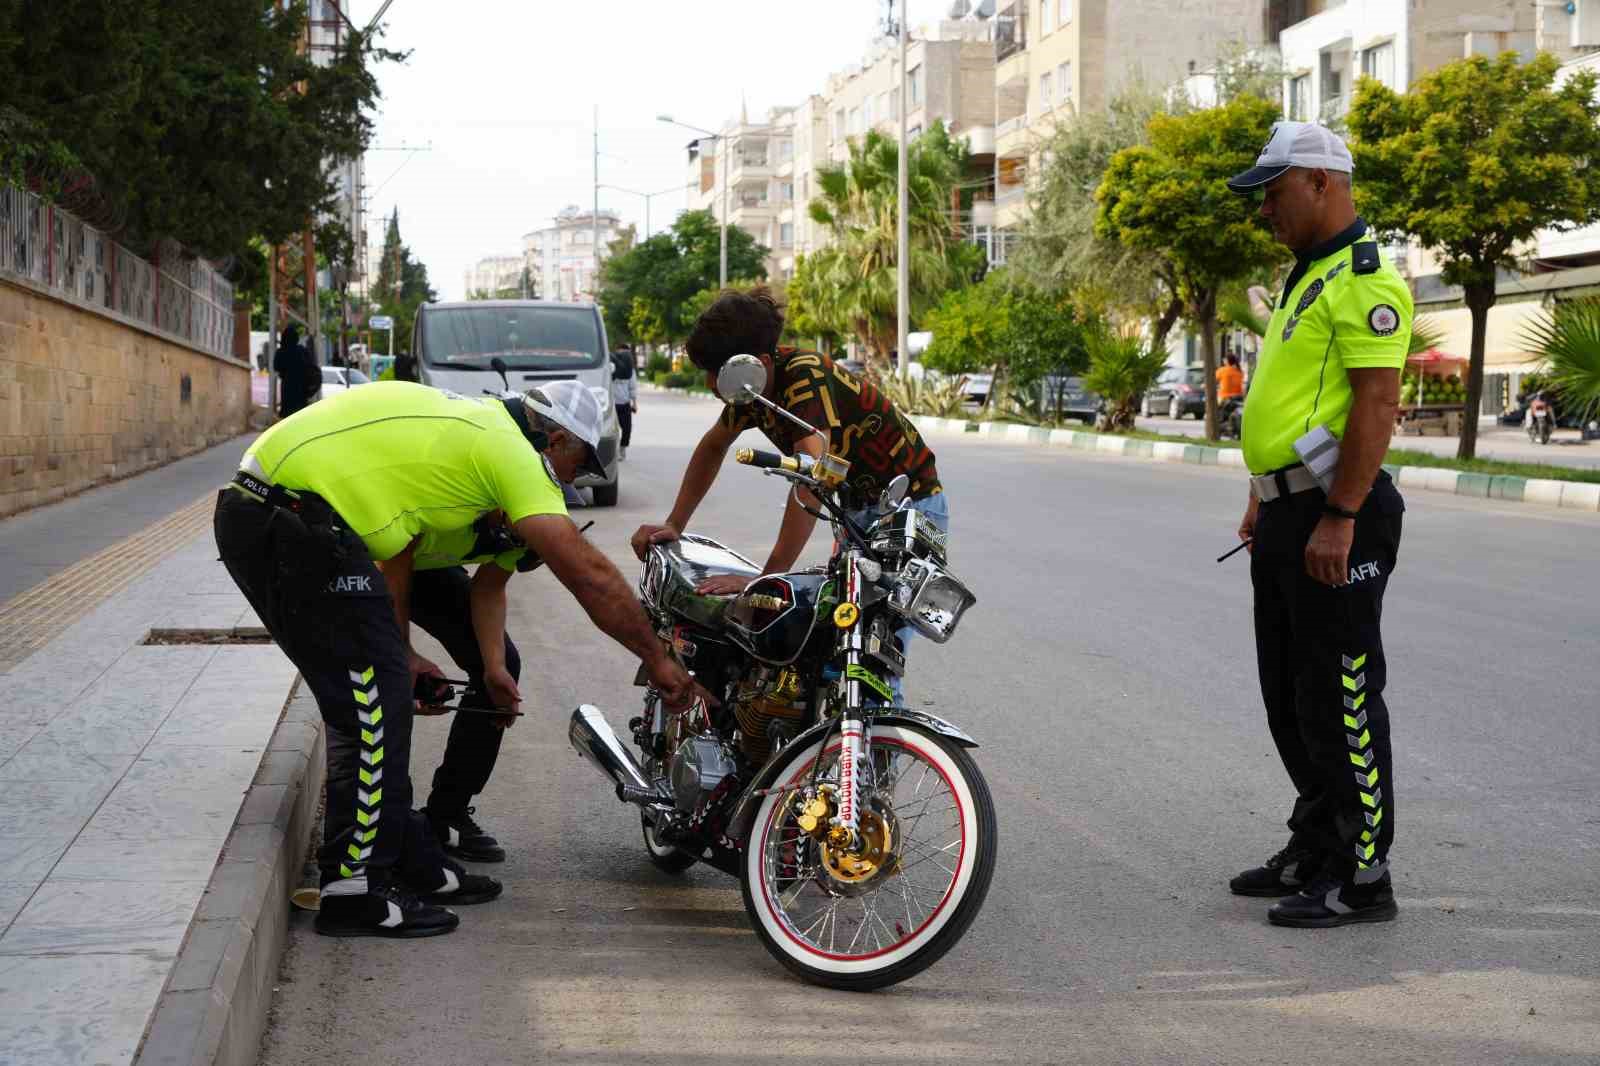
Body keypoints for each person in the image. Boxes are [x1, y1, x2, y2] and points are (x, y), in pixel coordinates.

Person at [214, 379, 707, 938]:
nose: (576, 479)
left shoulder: (483, 445)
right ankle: (353, 890)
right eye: (581, 461)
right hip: (282, 513)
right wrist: (660, 659)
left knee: (388, 687)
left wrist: (444, 660)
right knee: (373, 701)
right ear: (554, 436)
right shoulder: (509, 450)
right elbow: (590, 577)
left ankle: (405, 853)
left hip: (314, 520)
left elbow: (404, 549)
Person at [1225, 121, 1410, 928]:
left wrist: (1339, 514)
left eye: (1273, 193)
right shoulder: (1309, 275)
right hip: (1287, 507)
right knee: (1289, 694)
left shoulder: (1366, 279)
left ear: (1320, 183)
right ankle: (1316, 840)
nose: (1265, 209)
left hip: (1338, 514)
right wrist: (1266, 493)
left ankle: (1363, 871)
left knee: (1339, 695)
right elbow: (1297, 401)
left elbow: (1375, 405)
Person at [630, 287, 944, 699]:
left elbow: (813, 483)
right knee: (830, 650)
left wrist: (764, 580)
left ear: (755, 365)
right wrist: (675, 523)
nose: (709, 384)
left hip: (907, 511)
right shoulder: (751, 389)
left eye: (716, 372)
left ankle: (872, 757)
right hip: (854, 515)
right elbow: (712, 447)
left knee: (873, 658)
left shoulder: (805, 377)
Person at [408, 509, 539, 864]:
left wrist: (494, 669)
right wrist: (404, 654)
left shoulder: (528, 524)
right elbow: (384, 565)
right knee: (386, 675)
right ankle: (388, 823)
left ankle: (445, 811)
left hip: (425, 564)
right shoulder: (454, 503)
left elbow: (489, 588)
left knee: (498, 667)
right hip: (369, 560)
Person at [273, 324, 311, 418]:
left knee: (288, 412)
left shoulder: (281, 352)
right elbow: (310, 367)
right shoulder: (302, 350)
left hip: (287, 386)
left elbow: (276, 367)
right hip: (301, 386)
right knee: (301, 413)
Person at [611, 346, 637, 460]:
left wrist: (634, 403)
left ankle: (623, 448)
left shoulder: (630, 370)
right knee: (614, 430)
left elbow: (633, 387)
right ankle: (614, 451)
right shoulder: (611, 367)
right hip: (613, 404)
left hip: (625, 403)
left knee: (627, 429)